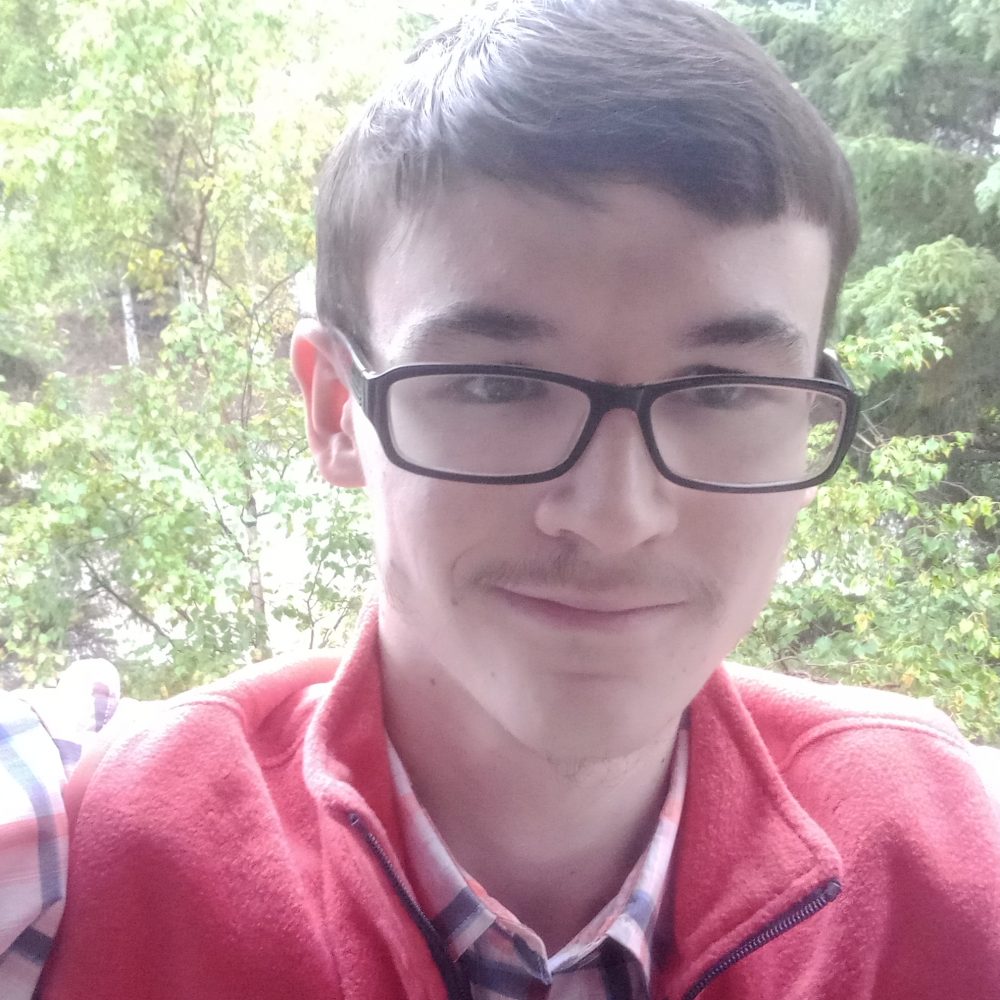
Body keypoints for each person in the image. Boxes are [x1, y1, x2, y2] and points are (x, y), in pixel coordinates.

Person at [25, 1, 1000, 997]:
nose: (614, 515)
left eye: (721, 392)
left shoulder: (942, 859)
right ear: (336, 412)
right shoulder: (89, 856)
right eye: (497, 385)